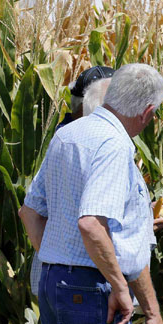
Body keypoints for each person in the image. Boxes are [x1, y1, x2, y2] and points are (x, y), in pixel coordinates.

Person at [19, 63, 163, 324]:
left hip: (55, 283)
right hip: (91, 288)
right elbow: (91, 223)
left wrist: (58, 260)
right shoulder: (114, 145)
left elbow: (29, 211)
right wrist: (118, 285)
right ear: (147, 112)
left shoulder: (68, 134)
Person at [30, 66, 116, 296]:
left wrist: (53, 261)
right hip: (88, 284)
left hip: (55, 280)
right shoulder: (89, 146)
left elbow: (29, 212)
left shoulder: (61, 138)